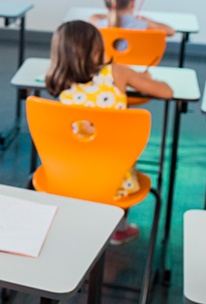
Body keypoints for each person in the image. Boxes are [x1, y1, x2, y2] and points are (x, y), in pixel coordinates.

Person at [45, 20, 173, 244]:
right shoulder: (116, 73)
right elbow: (167, 92)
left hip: (68, 176)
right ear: (97, 50)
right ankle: (119, 229)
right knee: (118, 156)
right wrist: (147, 80)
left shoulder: (60, 79)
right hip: (116, 180)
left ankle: (77, 223)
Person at [89, 0, 176, 36]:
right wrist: (147, 20)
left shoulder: (98, 24)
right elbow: (171, 31)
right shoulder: (142, 26)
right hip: (134, 65)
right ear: (133, 3)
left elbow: (94, 17)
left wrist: (113, 15)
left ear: (107, 7)